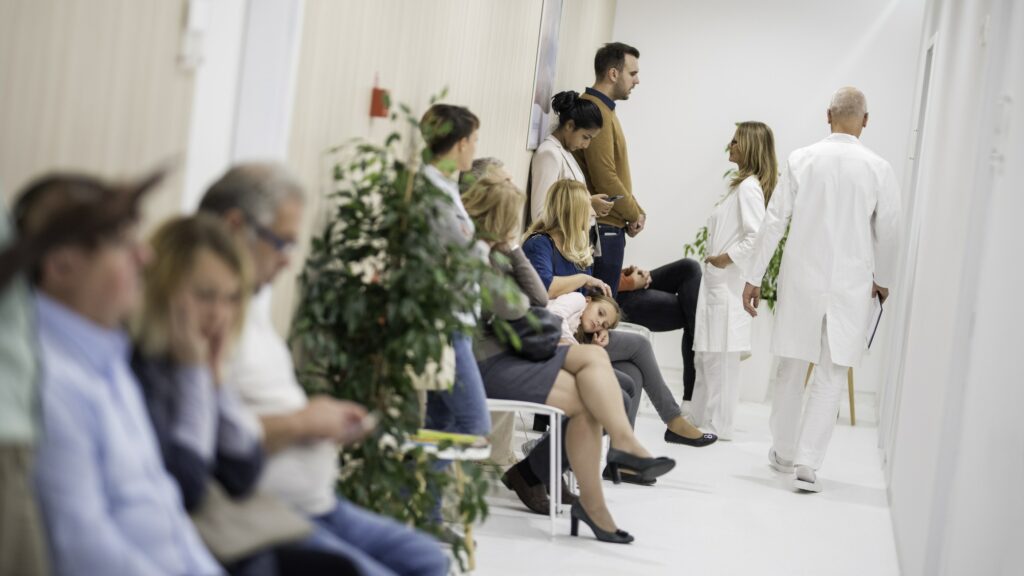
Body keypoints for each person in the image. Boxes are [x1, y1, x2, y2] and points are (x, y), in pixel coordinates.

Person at [198, 163, 448, 576]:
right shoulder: (202, 313)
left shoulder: (245, 304)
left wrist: (322, 418)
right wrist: (303, 422)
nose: (286, 262)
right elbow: (209, 437)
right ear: (234, 226)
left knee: (427, 558)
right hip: (262, 513)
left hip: (317, 503)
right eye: (281, 243)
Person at [20, 172, 222, 575]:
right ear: (61, 264)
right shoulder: (48, 380)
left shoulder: (110, 361)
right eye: (121, 244)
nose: (144, 257)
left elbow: (167, 511)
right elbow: (82, 548)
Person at [464, 168, 675, 543]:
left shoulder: (504, 250)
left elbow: (535, 296)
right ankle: (600, 483)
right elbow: (528, 303)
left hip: (517, 347)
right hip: (489, 356)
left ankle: (614, 464)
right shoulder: (476, 256)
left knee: (595, 366)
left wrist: (511, 246)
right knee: (594, 392)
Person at [741, 87, 901, 492]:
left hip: (802, 279)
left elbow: (774, 222)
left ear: (827, 114)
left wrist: (754, 276)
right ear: (866, 121)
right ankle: (809, 465)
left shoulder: (802, 159)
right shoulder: (879, 168)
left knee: (791, 364)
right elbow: (890, 231)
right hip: (851, 283)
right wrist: (883, 279)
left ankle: (784, 451)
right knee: (832, 371)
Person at [523, 180, 717, 454]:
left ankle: (623, 456)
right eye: (587, 211)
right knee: (639, 347)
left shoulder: (575, 249)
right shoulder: (539, 244)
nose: (592, 217)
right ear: (572, 210)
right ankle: (670, 423)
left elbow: (586, 300)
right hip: (552, 337)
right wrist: (582, 278)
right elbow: (543, 289)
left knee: (632, 372)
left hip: (579, 332)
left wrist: (602, 325)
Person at [689, 121, 777, 440]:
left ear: (750, 146)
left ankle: (717, 425)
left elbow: (756, 236)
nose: (730, 145)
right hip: (717, 283)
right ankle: (701, 417)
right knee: (709, 354)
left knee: (722, 358)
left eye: (736, 141)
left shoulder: (750, 188)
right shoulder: (740, 186)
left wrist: (723, 258)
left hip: (727, 283)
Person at [418, 104, 492, 439]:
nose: (475, 149)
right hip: (445, 320)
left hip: (458, 316)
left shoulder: (447, 186)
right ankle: (411, 493)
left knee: (441, 424)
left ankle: (421, 494)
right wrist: (482, 248)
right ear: (461, 143)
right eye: (474, 141)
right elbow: (465, 250)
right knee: (474, 425)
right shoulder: (431, 190)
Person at [573, 42, 644, 297]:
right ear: (613, 74)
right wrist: (634, 213)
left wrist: (637, 210)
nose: (637, 81)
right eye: (632, 73)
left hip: (611, 225)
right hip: (603, 227)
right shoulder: (596, 110)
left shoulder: (605, 110)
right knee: (599, 314)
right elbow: (605, 178)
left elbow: (616, 174)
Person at [528, 90, 612, 229]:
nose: (586, 145)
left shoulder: (565, 151)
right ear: (569, 125)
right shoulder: (549, 154)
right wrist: (588, 205)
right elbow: (540, 215)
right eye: (586, 137)